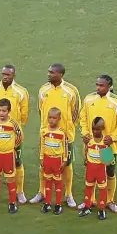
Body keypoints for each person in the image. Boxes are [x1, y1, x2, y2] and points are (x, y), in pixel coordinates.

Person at [30, 64, 80, 208]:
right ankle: (42, 192)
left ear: (60, 74)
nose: (48, 74)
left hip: (65, 136)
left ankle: (68, 194)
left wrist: (67, 128)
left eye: (52, 72)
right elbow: (41, 110)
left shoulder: (71, 91)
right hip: (46, 135)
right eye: (49, 72)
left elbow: (75, 112)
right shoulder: (43, 90)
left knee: (67, 164)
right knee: (44, 163)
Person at [79, 74, 117, 213]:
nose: (98, 88)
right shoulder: (88, 99)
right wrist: (85, 133)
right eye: (97, 85)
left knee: (109, 171)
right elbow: (82, 118)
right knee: (91, 170)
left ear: (109, 86)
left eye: (101, 85)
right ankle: (91, 200)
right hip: (91, 144)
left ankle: (109, 201)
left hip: (107, 147)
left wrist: (113, 137)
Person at [0, 65, 29, 203]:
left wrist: (16, 130)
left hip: (13, 134)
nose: (5, 76)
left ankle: (19, 191)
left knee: (18, 162)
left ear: (13, 76)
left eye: (8, 74)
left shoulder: (21, 92)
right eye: (3, 74)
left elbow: (24, 113)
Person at [79, 117, 109, 221]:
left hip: (100, 169)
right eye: (94, 129)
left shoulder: (105, 141)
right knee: (88, 187)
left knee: (102, 189)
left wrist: (107, 149)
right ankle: (87, 207)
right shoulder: (89, 140)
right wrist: (86, 159)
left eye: (98, 129)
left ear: (103, 128)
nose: (95, 131)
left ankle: (102, 209)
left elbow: (107, 160)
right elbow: (86, 150)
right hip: (90, 168)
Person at [39, 107, 68, 215]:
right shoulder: (44, 131)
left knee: (58, 182)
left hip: (57, 160)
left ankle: (58, 204)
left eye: (54, 118)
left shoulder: (62, 133)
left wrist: (64, 160)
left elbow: (65, 147)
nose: (51, 120)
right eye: (49, 117)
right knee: (48, 181)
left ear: (59, 119)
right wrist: (41, 157)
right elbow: (42, 145)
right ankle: (47, 203)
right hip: (47, 159)